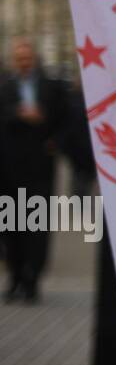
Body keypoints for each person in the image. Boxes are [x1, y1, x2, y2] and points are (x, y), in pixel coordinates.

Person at [0, 38, 66, 303]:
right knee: (10, 223)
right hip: (7, 168)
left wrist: (55, 142)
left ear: (34, 59)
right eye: (20, 59)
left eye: (28, 58)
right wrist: (19, 114)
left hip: (40, 166)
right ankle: (15, 277)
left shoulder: (51, 86)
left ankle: (32, 279)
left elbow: (66, 119)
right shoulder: (5, 87)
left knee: (36, 224)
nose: (24, 63)